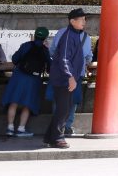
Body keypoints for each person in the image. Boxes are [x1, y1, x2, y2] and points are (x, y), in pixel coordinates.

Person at [44, 8, 90, 149]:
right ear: (72, 21)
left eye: (84, 19)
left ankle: (49, 137)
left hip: (69, 77)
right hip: (64, 78)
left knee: (64, 108)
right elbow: (64, 58)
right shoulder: (69, 35)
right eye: (81, 19)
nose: (84, 22)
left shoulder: (76, 34)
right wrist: (70, 76)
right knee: (64, 109)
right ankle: (58, 137)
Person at [2, 27, 50, 137]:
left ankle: (10, 128)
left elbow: (15, 59)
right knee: (28, 104)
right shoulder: (45, 50)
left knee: (14, 101)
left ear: (35, 34)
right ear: (45, 37)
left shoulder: (26, 45)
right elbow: (49, 68)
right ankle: (21, 129)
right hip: (34, 79)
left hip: (19, 76)